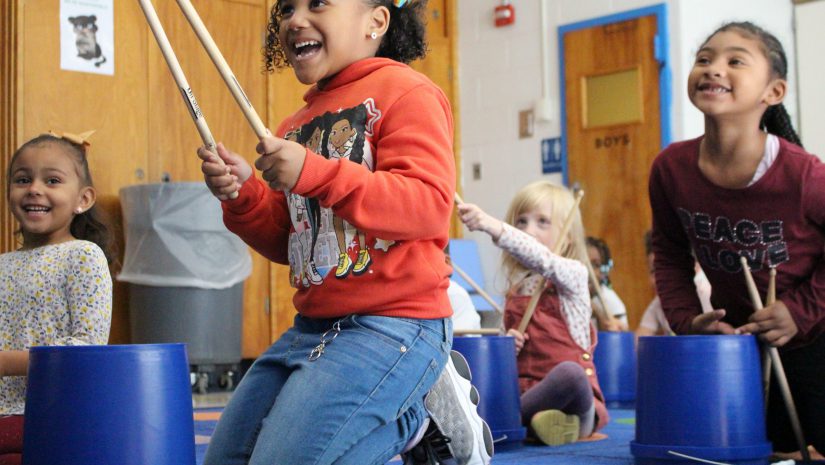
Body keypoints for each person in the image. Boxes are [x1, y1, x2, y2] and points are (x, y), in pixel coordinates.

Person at [196, 1, 492, 464]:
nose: (294, 20)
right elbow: (292, 240)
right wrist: (245, 197)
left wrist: (315, 172)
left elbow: (428, 206)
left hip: (395, 324)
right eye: (287, 8)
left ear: (376, 21)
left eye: (317, 4)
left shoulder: (407, 91)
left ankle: (418, 415)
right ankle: (417, 420)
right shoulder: (293, 127)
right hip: (311, 328)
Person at [649, 21, 825, 456]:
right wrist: (688, 321)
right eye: (704, 59)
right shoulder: (670, 169)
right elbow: (669, 254)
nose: (713, 69)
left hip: (815, 338)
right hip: (738, 349)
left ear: (774, 92)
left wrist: (800, 312)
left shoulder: (805, 175)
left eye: (735, 61)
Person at [457, 181, 608, 446]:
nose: (528, 230)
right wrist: (508, 346)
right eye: (521, 222)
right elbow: (502, 361)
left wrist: (492, 225)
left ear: (568, 236)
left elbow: (544, 261)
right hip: (529, 394)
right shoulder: (516, 291)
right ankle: (541, 424)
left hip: (573, 396)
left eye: (542, 222)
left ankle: (577, 422)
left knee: (571, 374)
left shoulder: (573, 275)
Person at [0, 132, 114, 465]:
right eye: (23, 179)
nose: (34, 188)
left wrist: (5, 363)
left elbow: (86, 350)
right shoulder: (3, 264)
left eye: (52, 180)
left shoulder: (83, 256)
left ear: (83, 199)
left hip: (55, 417)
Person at [636, 230, 712, 338]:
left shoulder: (706, 291)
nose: (658, 278)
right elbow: (638, 341)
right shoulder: (661, 301)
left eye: (667, 270)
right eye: (654, 271)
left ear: (695, 266)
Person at [586, 237, 629, 331]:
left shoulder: (612, 303)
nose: (588, 271)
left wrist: (598, 313)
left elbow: (616, 338)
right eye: (582, 262)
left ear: (603, 272)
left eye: (595, 265)